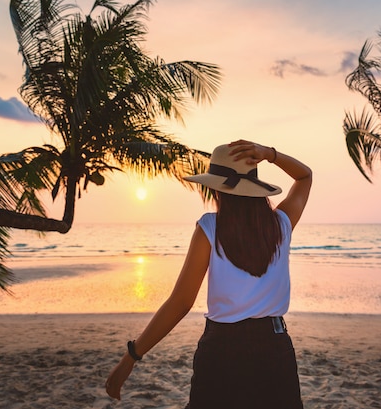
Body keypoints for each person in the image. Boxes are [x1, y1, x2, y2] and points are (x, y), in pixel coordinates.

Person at [105, 139, 312, 408]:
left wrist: (131, 357)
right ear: (255, 188)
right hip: (274, 347)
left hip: (223, 348)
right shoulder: (281, 224)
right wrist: (270, 154)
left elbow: (181, 303)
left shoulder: (210, 228)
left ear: (219, 190)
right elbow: (305, 176)